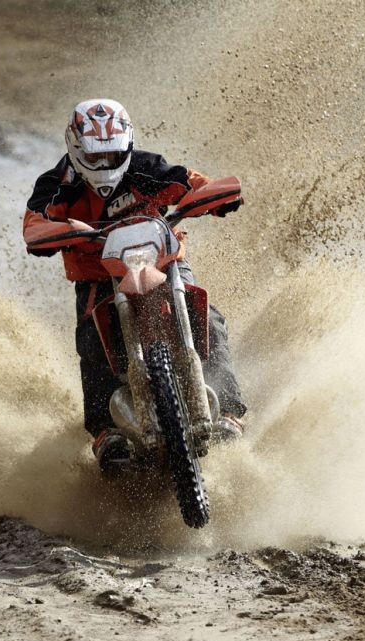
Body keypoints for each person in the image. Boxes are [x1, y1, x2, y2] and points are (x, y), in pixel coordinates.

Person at [22, 99, 246, 471]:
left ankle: (231, 412)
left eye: (113, 155)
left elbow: (192, 184)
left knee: (210, 318)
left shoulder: (146, 167)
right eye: (96, 157)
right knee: (91, 338)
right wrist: (55, 233)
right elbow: (34, 224)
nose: (105, 164)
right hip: (98, 276)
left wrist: (216, 198)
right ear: (76, 150)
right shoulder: (57, 185)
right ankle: (105, 431)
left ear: (127, 144)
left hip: (163, 263)